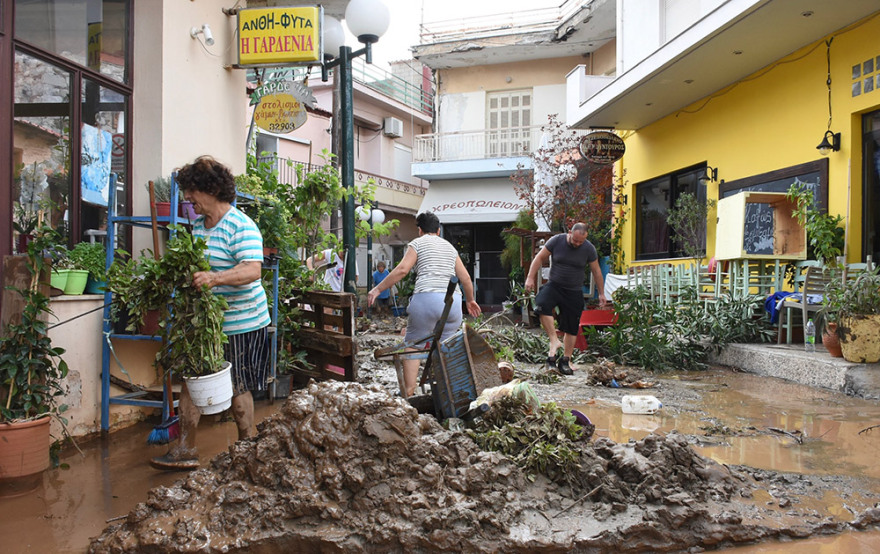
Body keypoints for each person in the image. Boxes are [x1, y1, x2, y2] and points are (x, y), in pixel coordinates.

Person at [150, 155, 271, 471]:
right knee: (191, 382)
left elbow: (252, 270)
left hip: (244, 322)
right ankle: (185, 449)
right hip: (208, 326)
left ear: (211, 190)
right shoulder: (199, 229)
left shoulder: (241, 226)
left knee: (236, 386)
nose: (188, 198)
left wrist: (215, 278)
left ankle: (247, 449)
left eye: (192, 191)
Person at [366, 212, 481, 397]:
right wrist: (470, 300)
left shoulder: (417, 243)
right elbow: (466, 278)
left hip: (426, 300)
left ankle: (409, 392)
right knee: (446, 347)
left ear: (419, 230)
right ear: (438, 230)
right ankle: (448, 393)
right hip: (453, 304)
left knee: (412, 345)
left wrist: (377, 289)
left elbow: (403, 270)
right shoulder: (450, 247)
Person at [524, 222, 606, 376]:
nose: (577, 244)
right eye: (575, 240)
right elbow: (538, 258)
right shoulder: (556, 241)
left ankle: (565, 360)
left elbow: (596, 271)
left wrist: (601, 293)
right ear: (569, 232)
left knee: (571, 326)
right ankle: (554, 340)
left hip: (574, 290)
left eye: (581, 242)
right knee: (541, 304)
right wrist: (530, 278)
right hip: (555, 285)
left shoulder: (588, 248)